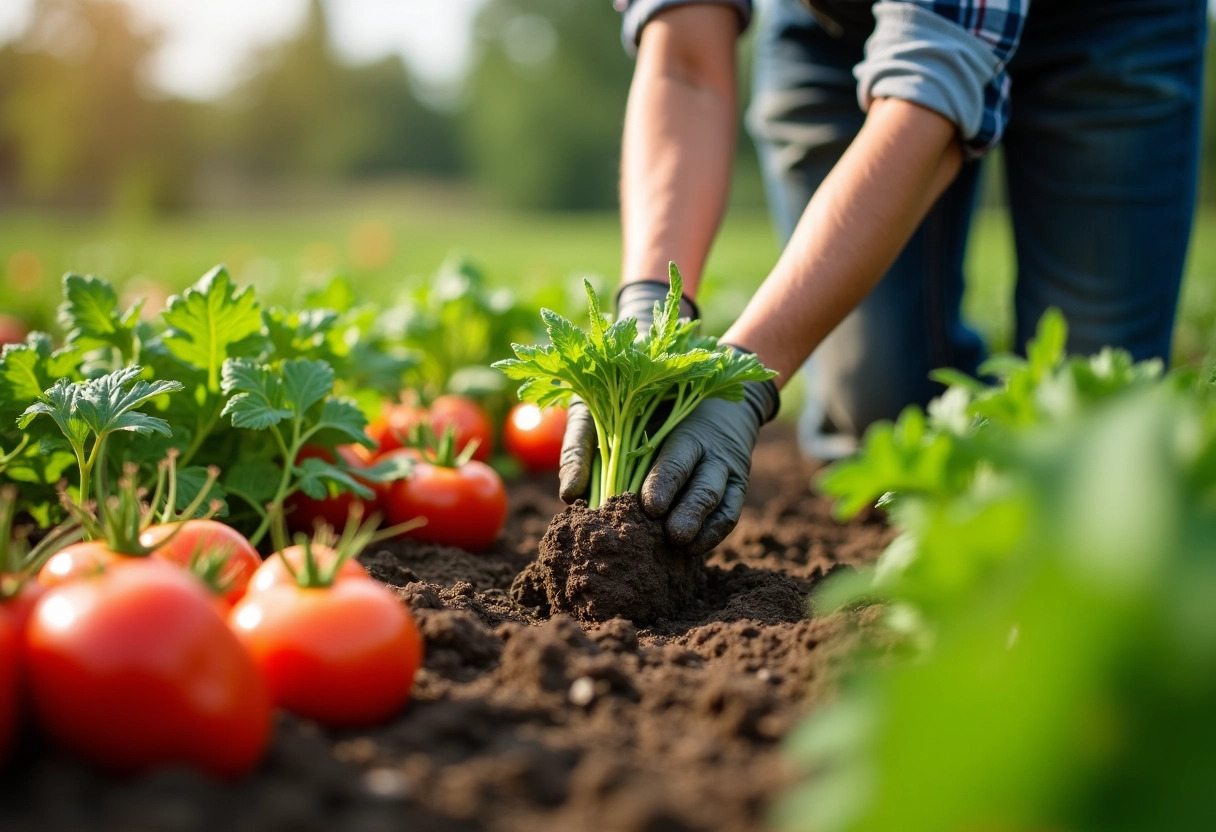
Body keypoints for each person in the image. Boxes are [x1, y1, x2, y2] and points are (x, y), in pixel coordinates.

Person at [559, 0, 1208, 555]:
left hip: (1106, 25)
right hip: (839, 24)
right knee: (880, 428)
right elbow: (684, 63)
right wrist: (646, 310)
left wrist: (746, 378)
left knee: (1096, 431)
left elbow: (932, 92)